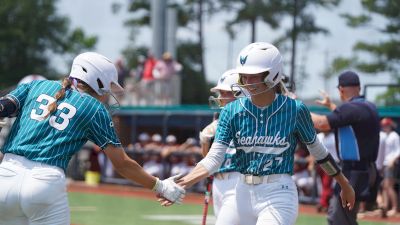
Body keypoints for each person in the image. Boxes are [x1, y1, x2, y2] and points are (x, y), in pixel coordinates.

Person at [160, 42, 355, 225]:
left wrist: (344, 184)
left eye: (254, 75)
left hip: (278, 192)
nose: (247, 81)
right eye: (244, 75)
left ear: (272, 75)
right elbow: (213, 159)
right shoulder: (231, 111)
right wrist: (181, 183)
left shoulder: (295, 110)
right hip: (241, 192)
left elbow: (319, 152)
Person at [0, 52, 185, 225]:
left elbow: (4, 106)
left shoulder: (36, 85)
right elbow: (122, 164)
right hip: (44, 181)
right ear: (98, 81)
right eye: (109, 86)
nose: (108, 93)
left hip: (5, 176)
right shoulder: (94, 109)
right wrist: (160, 186)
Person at [311, 71, 380, 225]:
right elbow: (349, 119)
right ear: (359, 88)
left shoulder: (351, 108)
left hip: (354, 172)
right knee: (346, 218)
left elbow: (322, 123)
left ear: (341, 90)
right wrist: (331, 106)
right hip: (367, 170)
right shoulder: (368, 106)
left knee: (338, 218)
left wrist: (295, 108)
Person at [199, 69, 241, 225]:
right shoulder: (219, 118)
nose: (219, 98)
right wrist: (205, 142)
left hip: (238, 180)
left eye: (224, 93)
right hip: (218, 181)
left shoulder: (248, 118)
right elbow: (207, 157)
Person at [379, 118, 400, 217]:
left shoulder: (394, 136)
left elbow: (398, 150)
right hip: (385, 163)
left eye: (386, 125)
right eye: (383, 125)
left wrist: (393, 160)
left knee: (389, 186)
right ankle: (385, 207)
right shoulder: (384, 136)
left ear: (390, 125)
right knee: (384, 186)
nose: (385, 127)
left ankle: (394, 208)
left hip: (392, 163)